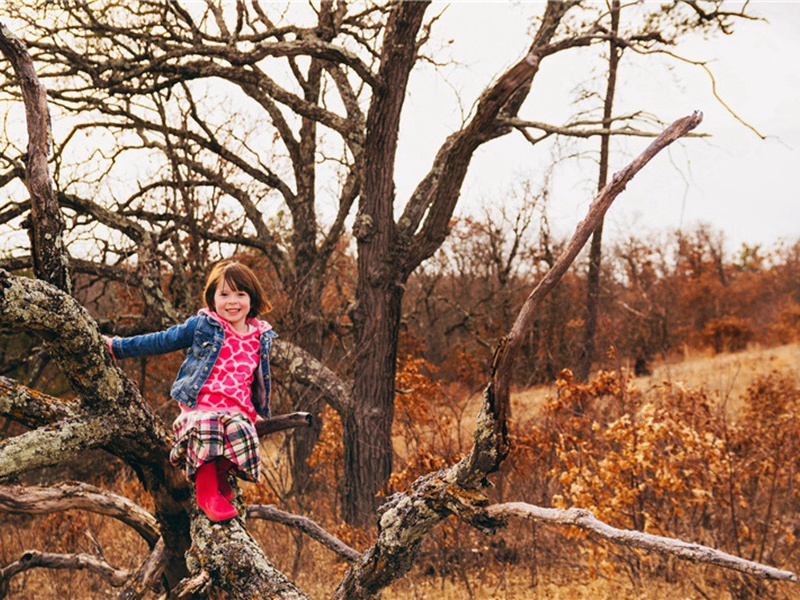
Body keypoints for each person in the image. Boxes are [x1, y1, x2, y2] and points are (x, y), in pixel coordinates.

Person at [105, 260, 276, 521]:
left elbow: (257, 379)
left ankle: (219, 475)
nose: (232, 301)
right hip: (202, 405)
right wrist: (119, 347)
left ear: (252, 299)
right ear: (212, 298)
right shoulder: (203, 325)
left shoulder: (259, 336)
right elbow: (161, 340)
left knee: (243, 431)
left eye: (240, 294)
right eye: (224, 294)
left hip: (238, 408)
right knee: (208, 427)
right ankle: (206, 493)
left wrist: (260, 411)